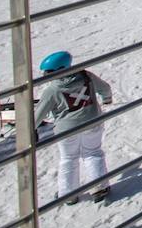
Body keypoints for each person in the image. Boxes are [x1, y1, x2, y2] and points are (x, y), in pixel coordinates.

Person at [34, 51, 114, 203]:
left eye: (49, 72)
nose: (45, 75)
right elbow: (105, 88)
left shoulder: (52, 90)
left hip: (66, 130)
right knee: (93, 153)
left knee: (68, 158)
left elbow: (39, 114)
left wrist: (32, 128)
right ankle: (99, 187)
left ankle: (68, 194)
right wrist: (107, 98)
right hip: (92, 123)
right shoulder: (86, 77)